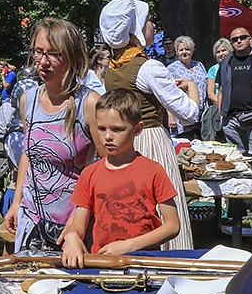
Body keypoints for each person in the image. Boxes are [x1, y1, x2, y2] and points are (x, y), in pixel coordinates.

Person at [99, 0, 200, 250]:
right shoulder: (149, 68)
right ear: (135, 30)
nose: (153, 25)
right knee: (160, 206)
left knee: (132, 208)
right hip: (151, 141)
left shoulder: (111, 69)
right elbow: (189, 113)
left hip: (125, 145)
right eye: (148, 20)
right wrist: (191, 86)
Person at [4, 17, 101, 251]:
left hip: (72, 226)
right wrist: (16, 203)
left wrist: (79, 221)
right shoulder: (29, 100)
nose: (43, 62)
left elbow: (105, 166)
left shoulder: (89, 103)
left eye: (54, 54)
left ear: (73, 57)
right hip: (31, 221)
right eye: (38, 52)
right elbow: (29, 153)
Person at [62, 89, 180, 268]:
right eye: (101, 128)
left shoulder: (153, 171)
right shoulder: (89, 174)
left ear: (138, 129)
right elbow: (78, 225)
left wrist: (129, 246)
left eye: (117, 129)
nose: (108, 136)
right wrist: (71, 237)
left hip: (145, 264)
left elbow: (172, 225)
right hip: (102, 264)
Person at [217, 27, 252, 171]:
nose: (239, 41)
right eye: (234, 39)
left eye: (242, 37)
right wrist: (221, 115)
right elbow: (221, 90)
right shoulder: (226, 62)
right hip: (232, 119)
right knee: (239, 159)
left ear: (250, 39)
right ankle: (244, 190)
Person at [166, 35, 207, 139]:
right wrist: (170, 116)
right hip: (182, 117)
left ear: (192, 51)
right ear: (176, 52)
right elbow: (167, 94)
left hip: (201, 116)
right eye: (181, 50)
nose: (184, 52)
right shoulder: (171, 69)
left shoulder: (199, 65)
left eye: (187, 49)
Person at [204, 38, 232, 141]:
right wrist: (223, 104)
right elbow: (210, 94)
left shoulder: (235, 66)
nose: (221, 54)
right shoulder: (213, 69)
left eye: (223, 50)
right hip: (218, 109)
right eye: (218, 52)